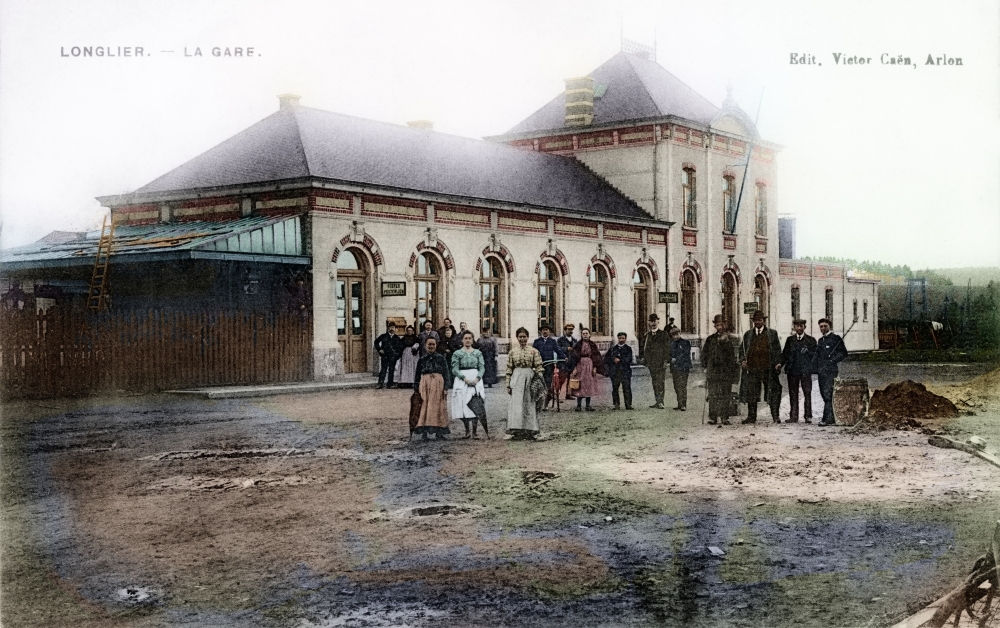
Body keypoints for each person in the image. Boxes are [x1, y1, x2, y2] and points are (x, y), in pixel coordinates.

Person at [738, 310, 784, 424]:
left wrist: (778, 363)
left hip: (768, 369)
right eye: (756, 320)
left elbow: (777, 350)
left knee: (773, 391)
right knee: (751, 392)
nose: (758, 322)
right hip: (752, 369)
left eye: (760, 320)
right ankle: (751, 417)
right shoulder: (748, 335)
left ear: (764, 321)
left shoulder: (772, 333)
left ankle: (775, 416)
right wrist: (743, 360)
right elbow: (741, 350)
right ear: (753, 321)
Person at [506, 327, 545, 440]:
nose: (522, 339)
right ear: (517, 338)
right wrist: (508, 385)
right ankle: (517, 429)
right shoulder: (513, 352)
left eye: (524, 337)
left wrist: (539, 381)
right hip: (517, 378)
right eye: (520, 337)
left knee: (529, 403)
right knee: (517, 404)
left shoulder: (533, 351)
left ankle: (530, 429)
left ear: (527, 338)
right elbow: (509, 369)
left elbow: (539, 367)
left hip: (529, 377)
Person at [701, 315, 740, 425]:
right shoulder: (710, 339)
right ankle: (713, 417)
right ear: (715, 325)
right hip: (713, 372)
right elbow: (704, 354)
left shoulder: (731, 339)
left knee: (725, 395)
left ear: (725, 325)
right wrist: (705, 367)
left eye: (721, 325)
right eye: (717, 325)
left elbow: (733, 356)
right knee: (713, 395)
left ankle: (724, 417)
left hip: (725, 372)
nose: (719, 327)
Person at [413, 337, 451, 440]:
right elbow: (417, 375)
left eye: (433, 344)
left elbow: (446, 373)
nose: (431, 346)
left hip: (438, 383)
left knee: (438, 406)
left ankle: (439, 432)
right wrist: (416, 387)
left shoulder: (441, 358)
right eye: (429, 344)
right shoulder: (422, 359)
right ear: (425, 346)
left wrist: (446, 387)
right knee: (424, 406)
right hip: (425, 383)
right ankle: (424, 433)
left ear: (436, 345)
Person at [451, 330, 487, 439]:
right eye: (465, 338)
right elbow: (454, 369)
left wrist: (477, 378)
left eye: (469, 338)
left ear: (472, 340)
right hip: (462, 379)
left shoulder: (477, 353)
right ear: (462, 340)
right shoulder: (457, 353)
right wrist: (464, 379)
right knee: (463, 403)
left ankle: (475, 432)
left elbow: (482, 367)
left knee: (476, 402)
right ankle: (467, 431)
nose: (467, 340)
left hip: (475, 378)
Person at [782, 319, 818, 424]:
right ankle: (793, 416)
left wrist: (809, 352)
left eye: (801, 326)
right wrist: (780, 364)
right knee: (793, 394)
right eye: (797, 326)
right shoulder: (790, 340)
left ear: (804, 327)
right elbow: (785, 354)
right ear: (794, 328)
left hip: (805, 371)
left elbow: (816, 355)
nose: (799, 328)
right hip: (792, 371)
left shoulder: (811, 340)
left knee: (807, 393)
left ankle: (808, 416)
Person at [815, 318, 848, 426]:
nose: (823, 328)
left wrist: (832, 360)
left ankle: (826, 419)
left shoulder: (836, 339)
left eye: (825, 326)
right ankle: (833, 417)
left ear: (829, 326)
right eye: (821, 326)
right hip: (821, 371)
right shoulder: (820, 341)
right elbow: (817, 356)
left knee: (828, 393)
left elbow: (843, 353)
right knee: (824, 394)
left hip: (831, 370)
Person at [638, 313, 670, 409]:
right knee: (654, 382)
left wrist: (665, 361)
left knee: (660, 382)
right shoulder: (647, 335)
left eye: (655, 321)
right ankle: (657, 401)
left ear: (658, 322)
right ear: (649, 323)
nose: (653, 323)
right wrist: (642, 358)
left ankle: (661, 402)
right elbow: (643, 347)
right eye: (651, 321)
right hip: (651, 363)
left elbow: (667, 348)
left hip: (661, 363)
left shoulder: (664, 334)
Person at [570, 327, 605, 412]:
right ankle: (578, 405)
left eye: (586, 333)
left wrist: (595, 368)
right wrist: (574, 368)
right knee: (580, 384)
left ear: (589, 335)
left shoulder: (592, 345)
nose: (585, 335)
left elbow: (597, 357)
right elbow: (573, 357)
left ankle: (588, 405)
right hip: (580, 365)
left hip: (590, 364)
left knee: (589, 384)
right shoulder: (578, 345)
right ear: (581, 335)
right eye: (583, 334)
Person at [532, 324, 566, 407]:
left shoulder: (552, 341)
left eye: (546, 330)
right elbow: (533, 352)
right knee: (539, 383)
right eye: (543, 330)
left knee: (548, 384)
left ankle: (546, 403)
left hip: (549, 366)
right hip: (539, 365)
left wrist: (564, 357)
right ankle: (538, 401)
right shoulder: (537, 341)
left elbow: (558, 350)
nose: (545, 331)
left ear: (549, 332)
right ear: (541, 331)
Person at [605, 332, 634, 410]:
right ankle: (616, 404)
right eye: (620, 338)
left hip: (625, 371)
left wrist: (620, 360)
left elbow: (629, 359)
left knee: (627, 388)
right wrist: (613, 359)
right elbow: (606, 358)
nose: (621, 340)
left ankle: (628, 404)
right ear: (618, 338)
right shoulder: (613, 348)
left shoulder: (628, 348)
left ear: (625, 339)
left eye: (623, 338)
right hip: (615, 372)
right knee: (615, 388)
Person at [374, 323, 404, 389]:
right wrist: (379, 349)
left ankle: (390, 384)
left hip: (393, 356)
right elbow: (376, 342)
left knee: (391, 369)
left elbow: (400, 347)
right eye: (390, 327)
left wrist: (397, 354)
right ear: (388, 328)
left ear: (395, 329)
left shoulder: (397, 338)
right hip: (385, 355)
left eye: (393, 327)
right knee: (383, 369)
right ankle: (380, 383)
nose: (392, 329)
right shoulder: (383, 336)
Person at [668, 327, 692, 411]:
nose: (676, 336)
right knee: (676, 386)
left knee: (682, 385)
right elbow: (669, 354)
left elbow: (685, 354)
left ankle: (683, 404)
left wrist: (676, 359)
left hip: (684, 367)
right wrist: (670, 359)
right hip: (675, 368)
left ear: (680, 333)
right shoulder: (671, 344)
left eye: (677, 334)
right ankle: (679, 403)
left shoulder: (686, 342)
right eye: (674, 335)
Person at [556, 323, 578, 400]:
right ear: (565, 330)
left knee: (570, 378)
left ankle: (568, 394)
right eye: (568, 329)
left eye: (571, 329)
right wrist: (566, 349)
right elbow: (557, 349)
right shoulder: (560, 340)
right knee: (561, 379)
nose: (570, 331)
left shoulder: (575, 340)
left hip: (572, 362)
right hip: (563, 362)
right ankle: (557, 395)